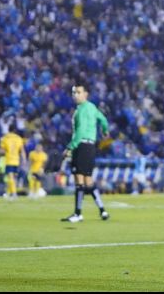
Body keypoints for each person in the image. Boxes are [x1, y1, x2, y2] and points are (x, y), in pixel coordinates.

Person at [61, 80, 110, 222]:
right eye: (74, 93)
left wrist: (70, 147)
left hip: (81, 146)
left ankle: (78, 214)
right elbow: (103, 119)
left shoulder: (81, 109)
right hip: (91, 146)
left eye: (78, 92)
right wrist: (105, 130)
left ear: (86, 94)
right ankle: (102, 210)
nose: (75, 95)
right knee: (88, 180)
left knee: (79, 180)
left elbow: (81, 131)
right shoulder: (92, 107)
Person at [0, 129, 26, 200]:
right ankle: (9, 194)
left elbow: (1, 151)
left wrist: (1, 152)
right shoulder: (19, 138)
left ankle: (14, 194)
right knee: (14, 178)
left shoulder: (5, 138)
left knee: (10, 177)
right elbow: (22, 150)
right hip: (17, 161)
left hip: (9, 160)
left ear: (8, 130)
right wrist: (24, 159)